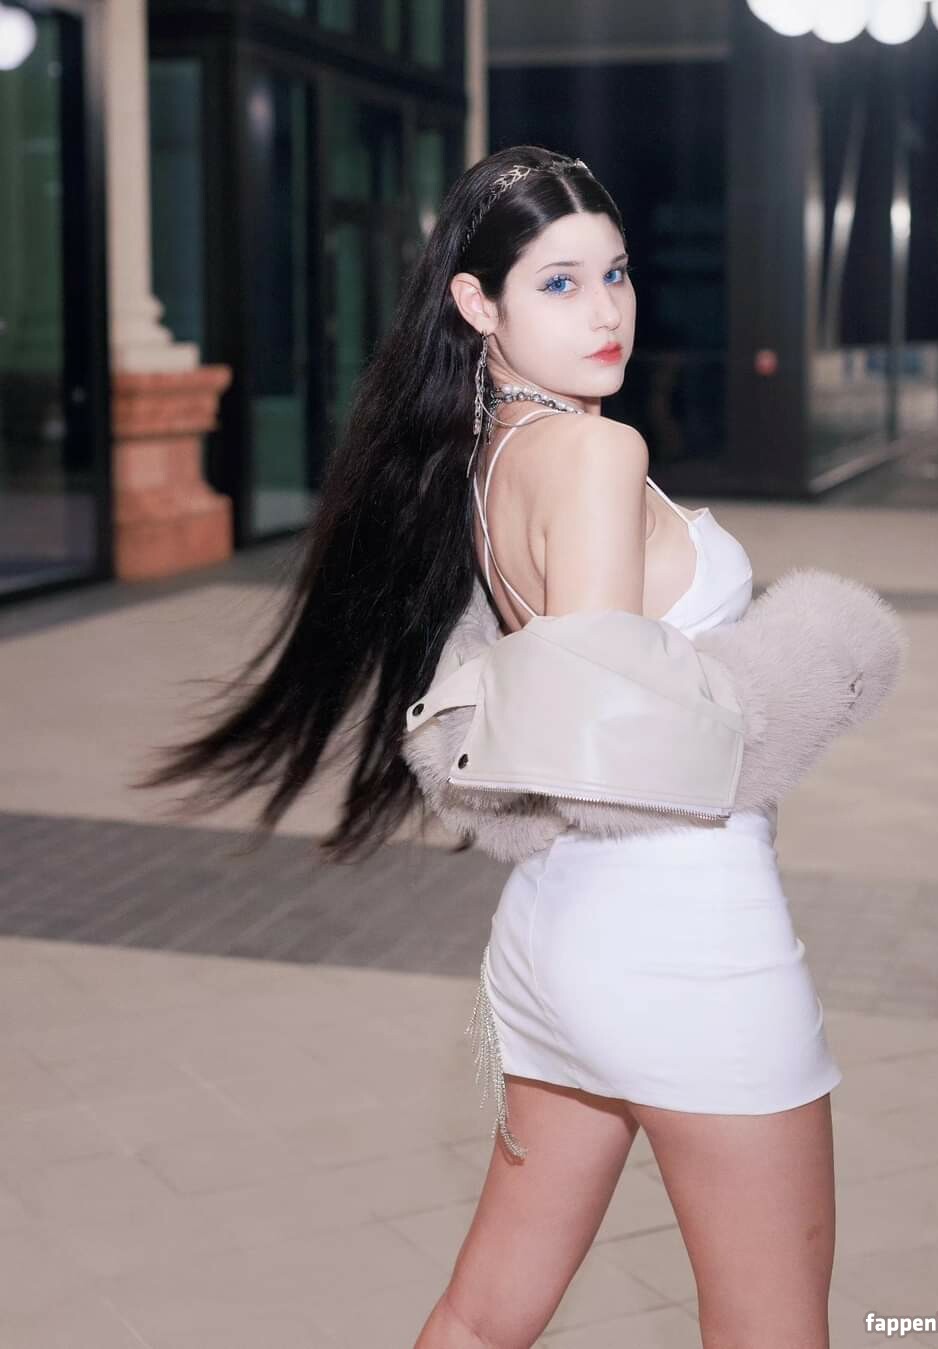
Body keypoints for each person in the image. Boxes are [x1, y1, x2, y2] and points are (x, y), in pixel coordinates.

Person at [133, 145, 841, 1348]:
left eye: (616, 273)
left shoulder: (488, 454)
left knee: (481, 1314)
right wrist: (812, 667)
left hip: (555, 939)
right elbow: (611, 729)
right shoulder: (595, 452)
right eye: (559, 283)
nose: (607, 310)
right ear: (477, 302)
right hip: (687, 935)